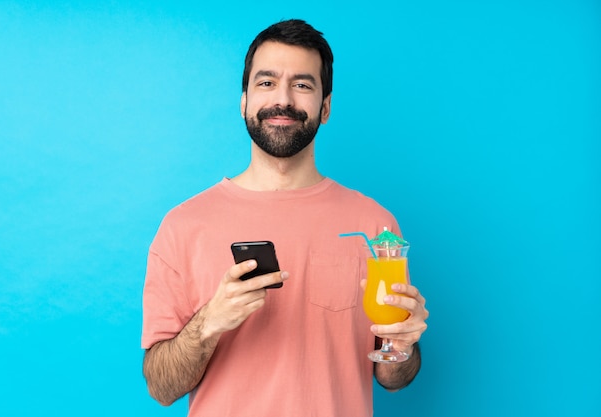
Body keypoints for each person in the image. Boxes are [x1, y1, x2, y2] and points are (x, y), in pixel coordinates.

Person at [141, 19, 429, 417]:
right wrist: (208, 322)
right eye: (266, 82)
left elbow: (392, 378)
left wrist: (405, 345)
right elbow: (160, 387)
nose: (284, 99)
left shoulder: (376, 225)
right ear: (243, 101)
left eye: (303, 84)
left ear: (325, 107)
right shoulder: (183, 226)